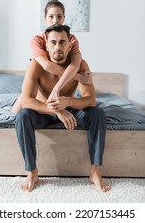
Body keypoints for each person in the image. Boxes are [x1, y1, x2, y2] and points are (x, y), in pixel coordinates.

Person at [15, 24, 111, 193]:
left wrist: (67, 101)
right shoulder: (35, 65)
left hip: (69, 108)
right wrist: (57, 110)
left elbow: (91, 100)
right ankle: (32, 171)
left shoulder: (80, 65)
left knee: (97, 114)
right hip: (42, 111)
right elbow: (27, 101)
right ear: (46, 45)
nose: (57, 47)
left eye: (62, 42)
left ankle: (95, 172)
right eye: (53, 42)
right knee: (22, 116)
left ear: (69, 45)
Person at [12, 0, 91, 113]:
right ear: (45, 18)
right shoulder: (37, 40)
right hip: (40, 88)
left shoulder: (71, 40)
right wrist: (78, 77)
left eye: (59, 16)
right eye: (51, 16)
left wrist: (57, 88)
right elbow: (46, 66)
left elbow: (75, 64)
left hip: (62, 87)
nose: (55, 20)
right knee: (15, 114)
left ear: (64, 18)